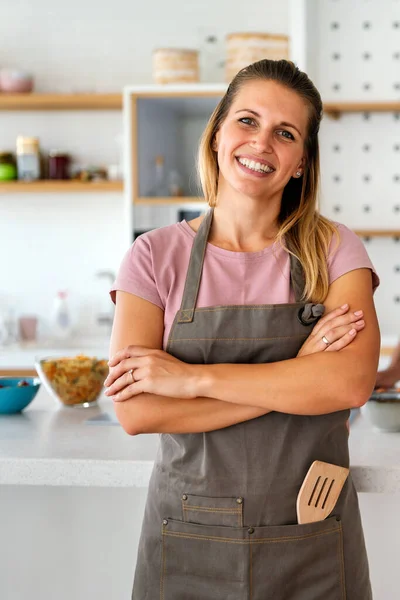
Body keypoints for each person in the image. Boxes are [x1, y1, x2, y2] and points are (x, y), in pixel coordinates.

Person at [105, 59, 380, 600]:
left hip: (312, 538)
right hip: (185, 538)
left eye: (286, 133)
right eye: (247, 121)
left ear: (302, 161)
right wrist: (300, 374)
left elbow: (348, 385)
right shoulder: (152, 257)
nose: (261, 144)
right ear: (217, 134)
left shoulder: (335, 250)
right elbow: (138, 412)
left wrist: (192, 381)